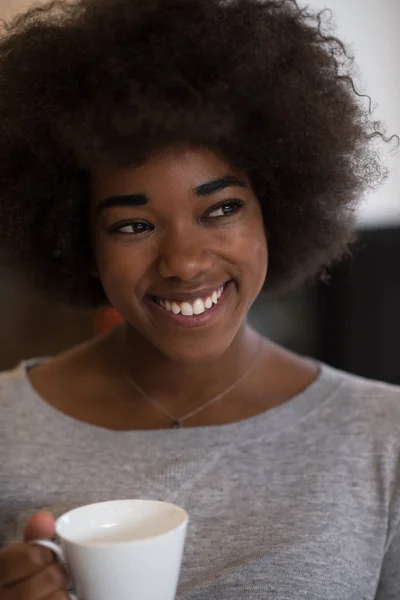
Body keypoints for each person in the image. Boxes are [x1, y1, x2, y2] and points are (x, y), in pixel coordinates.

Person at [0, 0, 398, 598]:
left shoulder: (383, 439)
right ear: (77, 241)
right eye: (133, 225)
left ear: (277, 211)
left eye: (222, 209)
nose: (184, 262)